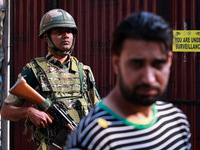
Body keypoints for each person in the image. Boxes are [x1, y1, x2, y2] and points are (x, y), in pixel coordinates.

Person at [64, 11, 191, 150]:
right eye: (136, 64)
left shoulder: (176, 122)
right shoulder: (91, 136)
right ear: (117, 63)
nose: (148, 78)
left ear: (169, 61)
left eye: (157, 64)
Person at [1, 9, 100, 150]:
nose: (66, 36)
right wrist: (29, 112)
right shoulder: (34, 70)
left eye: (69, 31)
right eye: (59, 32)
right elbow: (5, 112)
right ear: (47, 37)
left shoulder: (83, 71)